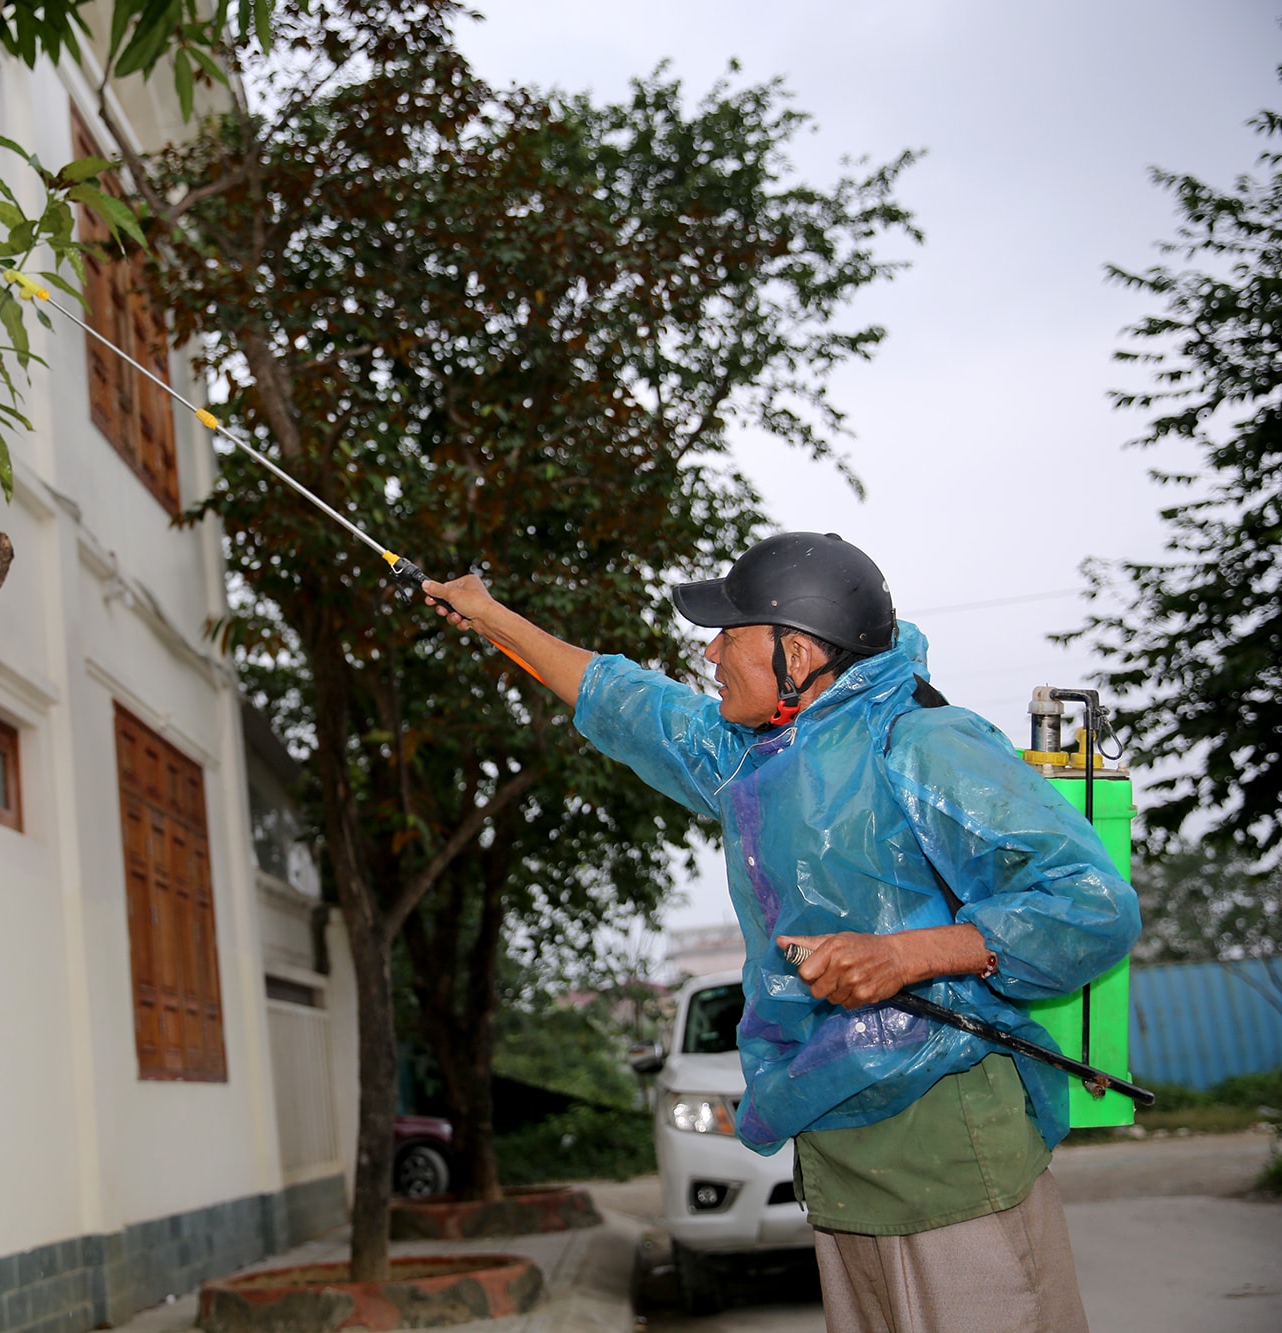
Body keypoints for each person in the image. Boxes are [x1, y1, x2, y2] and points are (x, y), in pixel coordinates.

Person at [422, 532, 1139, 1333]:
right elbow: (624, 702)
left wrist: (905, 953)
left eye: (730, 632)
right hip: (836, 1157)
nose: (710, 651)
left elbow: (1092, 904)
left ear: (796, 653)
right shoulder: (753, 758)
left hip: (948, 1144)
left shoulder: (924, 743)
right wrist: (491, 618)